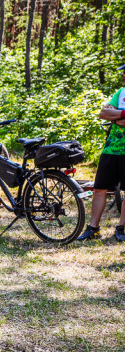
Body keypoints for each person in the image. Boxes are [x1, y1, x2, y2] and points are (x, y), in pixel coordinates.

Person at [77, 63, 125, 242]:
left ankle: (121, 228)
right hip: (111, 148)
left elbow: (112, 116)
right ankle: (93, 228)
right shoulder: (121, 93)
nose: (123, 76)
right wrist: (122, 115)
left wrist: (116, 117)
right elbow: (103, 113)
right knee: (99, 188)